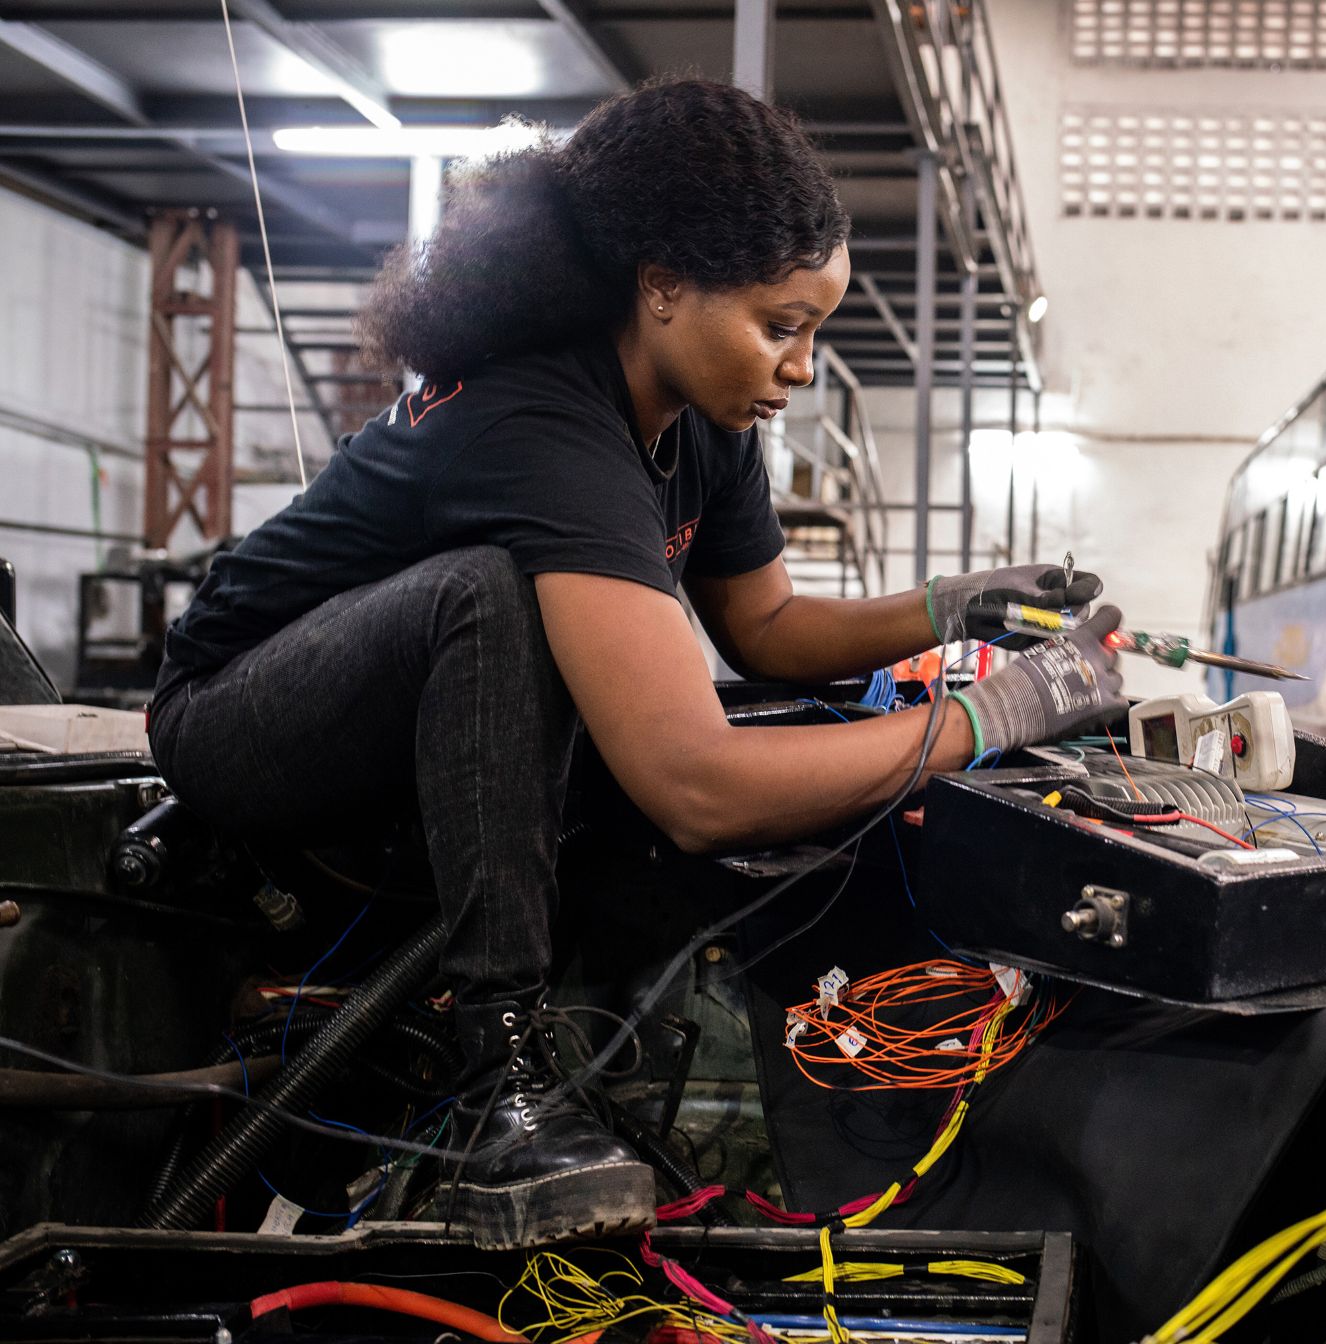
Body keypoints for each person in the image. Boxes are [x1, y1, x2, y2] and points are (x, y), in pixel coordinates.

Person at [145, 78, 1125, 1250]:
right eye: (781, 325)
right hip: (242, 719)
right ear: (660, 285)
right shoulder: (541, 421)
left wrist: (949, 608)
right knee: (496, 602)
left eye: (815, 329)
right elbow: (696, 786)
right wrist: (994, 714)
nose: (803, 367)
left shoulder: (706, 418)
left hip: (417, 727)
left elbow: (765, 629)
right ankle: (509, 1086)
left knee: (744, 724)